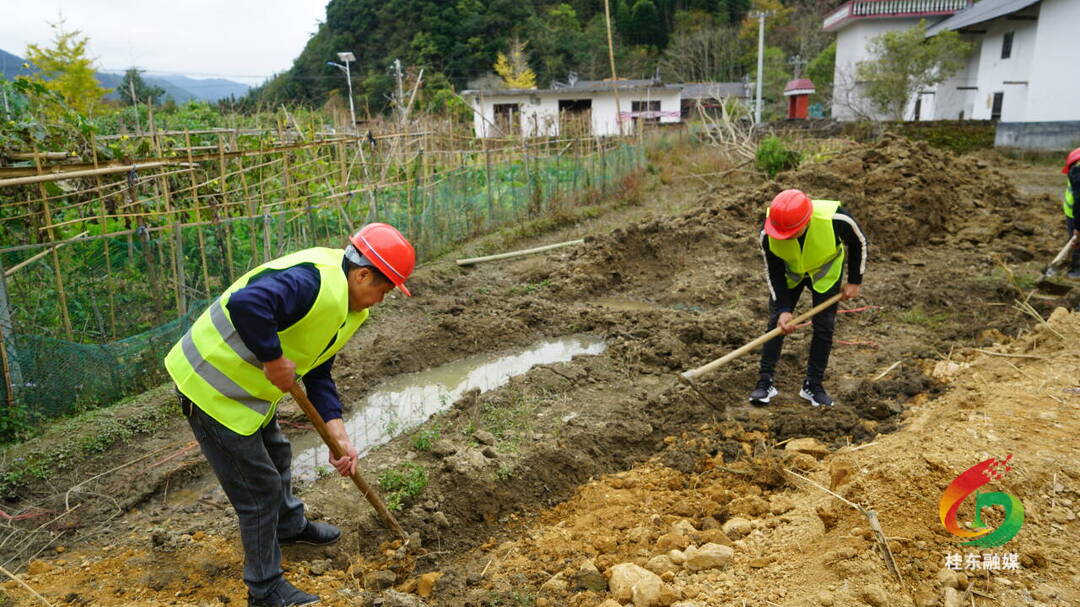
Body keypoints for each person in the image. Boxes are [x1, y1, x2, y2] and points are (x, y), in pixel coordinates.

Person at [164, 223, 415, 607]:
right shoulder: (311, 282)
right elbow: (247, 304)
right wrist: (272, 357)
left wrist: (338, 435)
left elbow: (318, 371)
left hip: (248, 394)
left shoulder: (349, 308)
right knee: (259, 491)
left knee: (278, 453)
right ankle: (264, 590)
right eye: (382, 289)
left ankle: (288, 526)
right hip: (209, 386)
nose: (381, 299)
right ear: (363, 273)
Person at [749, 189, 867, 407]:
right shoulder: (768, 232)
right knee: (776, 323)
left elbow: (858, 242)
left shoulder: (836, 219)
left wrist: (854, 281)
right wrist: (784, 308)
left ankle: (813, 385)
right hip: (791, 275)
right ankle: (765, 382)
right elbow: (773, 272)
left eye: (792, 231)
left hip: (825, 272)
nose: (786, 236)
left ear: (807, 220)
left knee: (824, 327)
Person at [1060, 147, 1080, 278]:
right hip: (1074, 213)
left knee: (1077, 243)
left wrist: (1078, 227)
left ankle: (1076, 272)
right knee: (1076, 242)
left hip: (1076, 214)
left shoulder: (1077, 171)